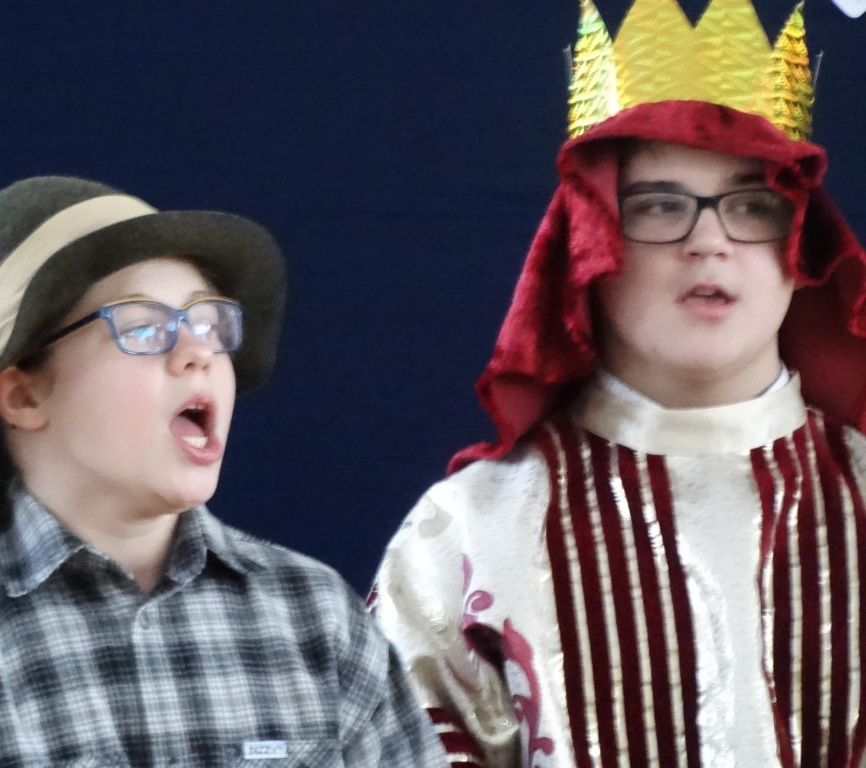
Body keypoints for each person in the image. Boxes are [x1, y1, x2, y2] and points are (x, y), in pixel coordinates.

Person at [370, 0, 866, 766]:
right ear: (589, 243)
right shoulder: (469, 536)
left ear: (801, 246)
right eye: (659, 206)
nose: (710, 240)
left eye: (754, 204)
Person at [0, 175, 446, 767]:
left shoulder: (319, 619)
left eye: (208, 322)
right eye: (144, 327)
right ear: (23, 397)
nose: (198, 351)